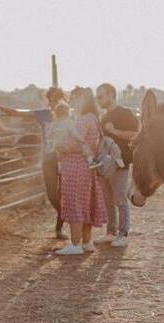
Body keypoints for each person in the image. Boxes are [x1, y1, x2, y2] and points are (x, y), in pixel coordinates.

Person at [0, 87, 68, 239]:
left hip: (67, 158)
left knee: (66, 193)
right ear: (49, 99)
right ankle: (64, 214)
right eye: (52, 98)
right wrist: (0, 106)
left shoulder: (68, 113)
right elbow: (18, 113)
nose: (55, 100)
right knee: (52, 194)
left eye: (58, 97)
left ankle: (59, 229)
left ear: (63, 98)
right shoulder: (43, 114)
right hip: (48, 158)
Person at [54, 87, 107, 255]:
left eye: (75, 99)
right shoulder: (94, 118)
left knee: (74, 202)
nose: (72, 102)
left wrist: (59, 146)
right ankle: (86, 241)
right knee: (86, 202)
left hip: (75, 166)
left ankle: (75, 244)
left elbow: (75, 143)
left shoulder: (83, 120)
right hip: (86, 167)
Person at [96, 83, 139, 248]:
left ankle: (123, 234)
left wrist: (114, 132)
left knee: (120, 198)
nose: (98, 100)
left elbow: (135, 135)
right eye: (97, 97)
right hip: (105, 164)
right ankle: (110, 232)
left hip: (121, 164)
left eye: (101, 96)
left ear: (111, 95)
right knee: (107, 199)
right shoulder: (104, 117)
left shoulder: (125, 113)